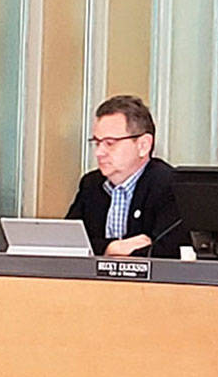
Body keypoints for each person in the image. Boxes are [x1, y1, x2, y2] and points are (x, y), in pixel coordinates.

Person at [66, 95, 187, 258]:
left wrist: (102, 248)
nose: (99, 152)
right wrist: (112, 247)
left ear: (143, 145)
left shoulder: (170, 186)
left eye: (109, 143)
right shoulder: (91, 185)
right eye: (97, 142)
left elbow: (169, 251)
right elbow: (69, 245)